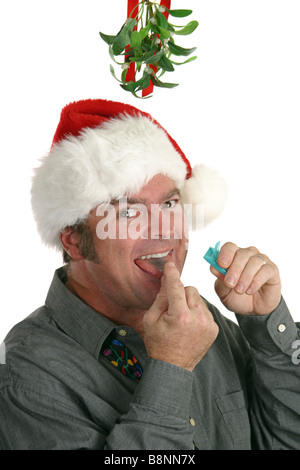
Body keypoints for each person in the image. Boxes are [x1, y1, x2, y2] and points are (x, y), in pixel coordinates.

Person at [0, 99, 299, 450]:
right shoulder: (26, 375)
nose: (164, 231)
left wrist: (267, 328)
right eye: (128, 213)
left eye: (170, 204)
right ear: (75, 241)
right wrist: (172, 367)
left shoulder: (201, 320)